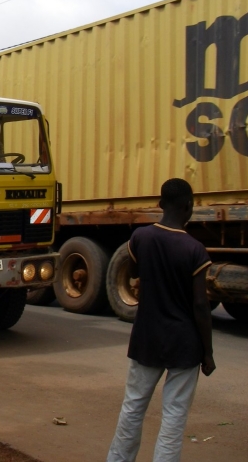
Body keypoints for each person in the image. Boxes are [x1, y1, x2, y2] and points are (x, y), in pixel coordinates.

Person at [107, 178, 215, 462]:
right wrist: (208, 352)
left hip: (147, 338)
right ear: (188, 207)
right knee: (174, 415)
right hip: (184, 343)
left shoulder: (141, 238)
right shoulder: (195, 250)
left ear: (160, 204)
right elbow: (201, 305)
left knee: (133, 407)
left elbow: (132, 271)